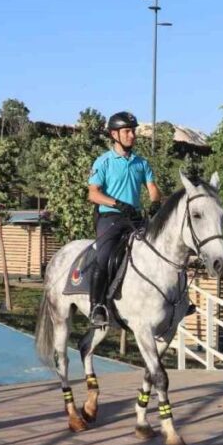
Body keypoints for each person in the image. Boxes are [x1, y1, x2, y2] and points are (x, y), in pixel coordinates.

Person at [86, 111, 162, 327]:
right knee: (104, 256)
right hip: (110, 217)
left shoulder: (141, 163)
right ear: (114, 134)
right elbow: (93, 194)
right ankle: (97, 306)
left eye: (133, 131)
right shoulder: (104, 162)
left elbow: (153, 188)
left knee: (160, 249)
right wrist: (117, 203)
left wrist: (155, 203)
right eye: (127, 131)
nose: (132, 135)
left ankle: (175, 299)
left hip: (135, 218)